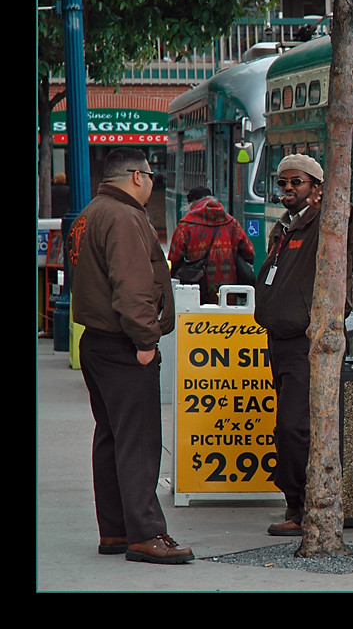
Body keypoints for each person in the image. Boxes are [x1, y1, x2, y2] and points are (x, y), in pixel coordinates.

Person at [65, 148, 194, 564]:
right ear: (137, 177)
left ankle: (115, 530)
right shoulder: (124, 217)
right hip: (124, 344)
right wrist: (145, 341)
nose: (153, 182)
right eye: (152, 175)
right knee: (137, 441)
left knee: (111, 437)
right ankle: (145, 533)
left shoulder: (91, 212)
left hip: (97, 341)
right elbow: (133, 287)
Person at [253, 154, 353, 536]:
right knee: (289, 427)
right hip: (278, 342)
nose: (287, 189)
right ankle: (295, 504)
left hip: (304, 342)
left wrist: (331, 200)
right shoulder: (284, 228)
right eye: (282, 183)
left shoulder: (327, 222)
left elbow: (347, 217)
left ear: (316, 188)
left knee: (293, 428)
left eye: (296, 182)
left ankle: (300, 508)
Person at [168, 186, 255, 304]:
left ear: (191, 205)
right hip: (228, 293)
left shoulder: (185, 226)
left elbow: (174, 259)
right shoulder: (231, 223)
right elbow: (249, 253)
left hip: (196, 293)